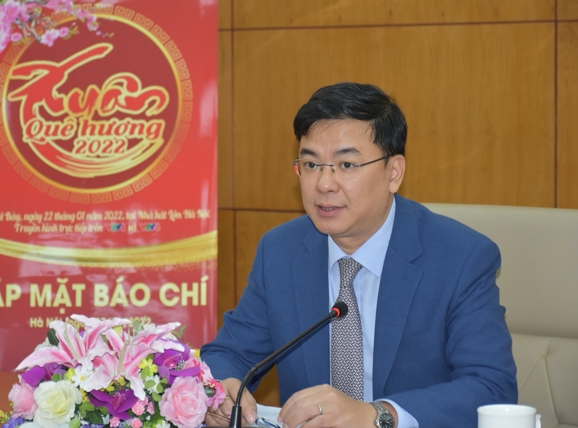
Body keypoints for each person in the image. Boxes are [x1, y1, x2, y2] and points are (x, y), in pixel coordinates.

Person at [200, 82, 517, 428]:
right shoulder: (281, 252)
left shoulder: (460, 258)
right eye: (311, 164)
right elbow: (227, 354)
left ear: (393, 173)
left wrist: (377, 415)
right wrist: (222, 389)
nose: (324, 184)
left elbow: (492, 388)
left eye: (347, 165)